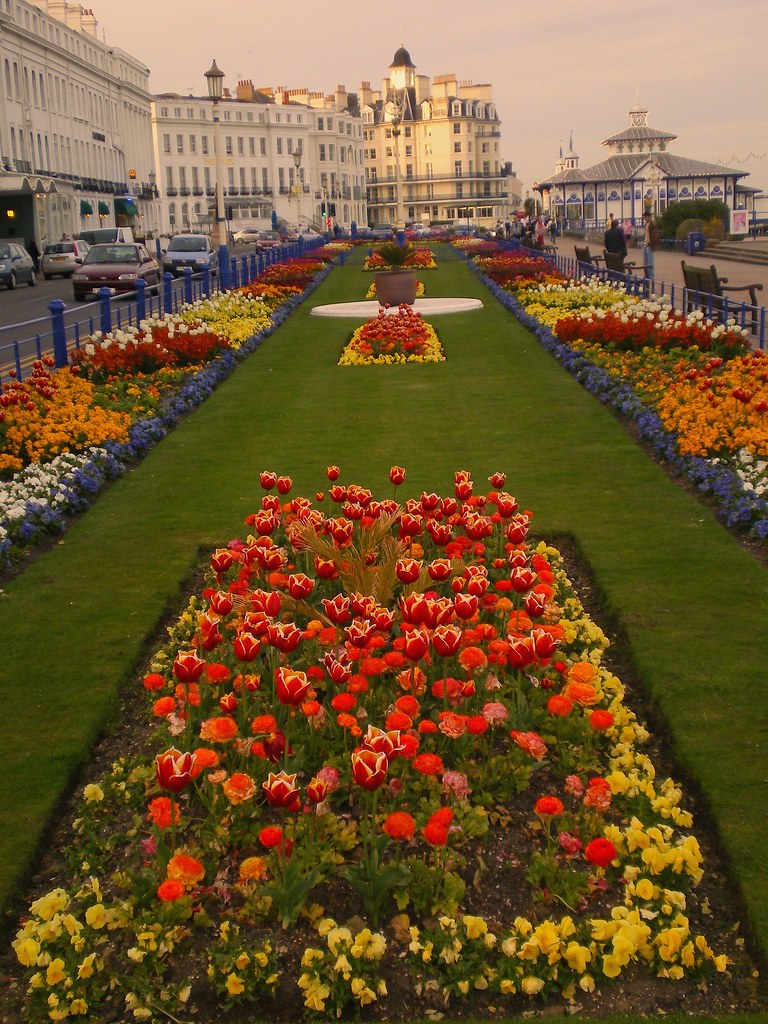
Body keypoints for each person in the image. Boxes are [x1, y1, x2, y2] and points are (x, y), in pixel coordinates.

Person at [642, 211, 659, 277]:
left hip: (649, 244)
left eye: (645, 217)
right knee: (645, 260)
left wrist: (650, 243)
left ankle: (651, 274)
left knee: (650, 260)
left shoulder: (653, 224)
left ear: (649, 216)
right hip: (645, 243)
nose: (644, 218)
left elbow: (655, 235)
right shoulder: (646, 224)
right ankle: (647, 274)